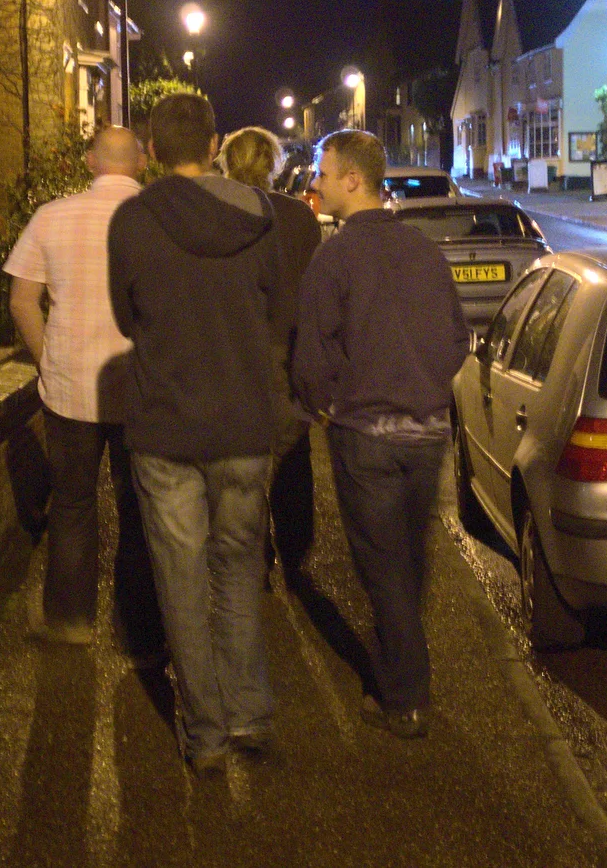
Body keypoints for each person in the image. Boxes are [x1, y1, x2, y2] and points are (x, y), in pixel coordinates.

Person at [107, 93, 286, 773]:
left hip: (167, 430)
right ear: (213, 144)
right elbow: (275, 313)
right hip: (243, 423)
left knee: (181, 579)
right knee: (237, 570)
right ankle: (250, 713)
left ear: (151, 151)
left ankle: (206, 733)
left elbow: (126, 319)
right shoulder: (260, 216)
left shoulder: (132, 220)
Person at [292, 129, 469, 739]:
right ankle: (403, 664)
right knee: (410, 557)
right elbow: (456, 339)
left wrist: (322, 404)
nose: (313, 182)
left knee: (384, 566)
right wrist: (425, 387)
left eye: (321, 170)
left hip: (365, 433)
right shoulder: (423, 251)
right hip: (426, 434)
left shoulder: (332, 258)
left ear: (352, 180)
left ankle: (407, 698)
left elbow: (311, 352)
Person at [3, 125, 162, 657]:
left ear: (91, 161)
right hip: (142, 387)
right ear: (140, 163)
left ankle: (71, 618)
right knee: (140, 507)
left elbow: (22, 300)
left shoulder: (52, 216)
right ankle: (137, 626)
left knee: (72, 504)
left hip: (71, 387)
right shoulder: (161, 217)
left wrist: (47, 357)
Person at [217, 127, 321, 582]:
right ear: (275, 162)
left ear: (226, 162)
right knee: (292, 456)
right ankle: (296, 555)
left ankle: (253, 554)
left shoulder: (217, 212)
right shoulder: (298, 216)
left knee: (239, 463)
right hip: (289, 349)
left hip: (234, 351)